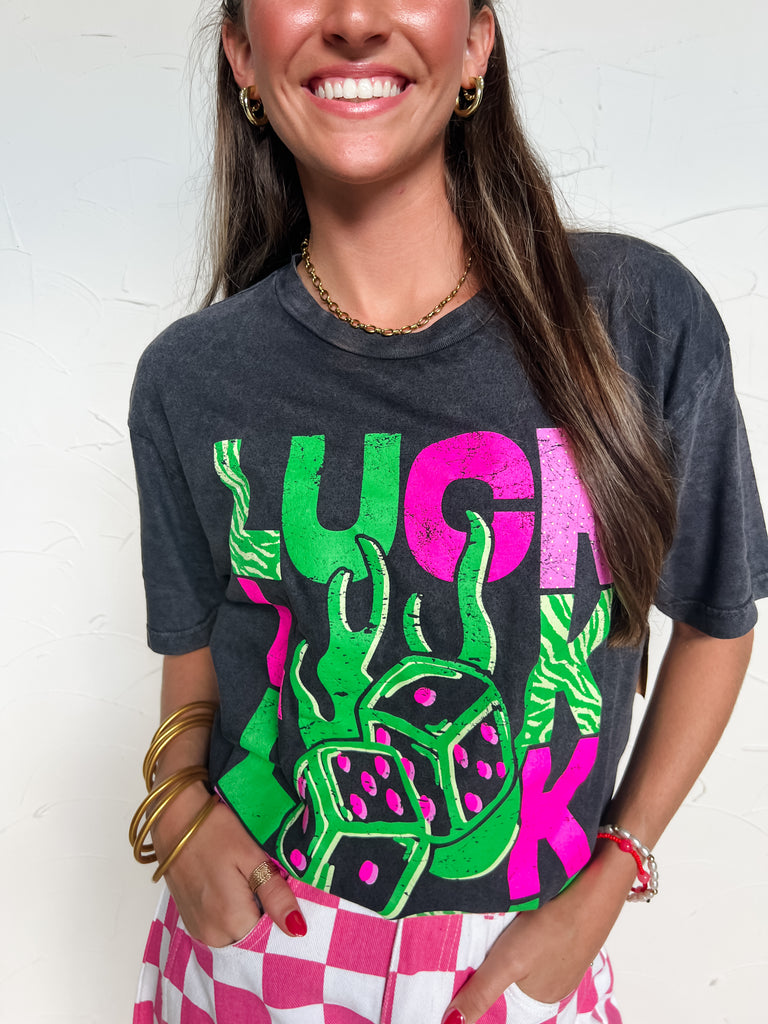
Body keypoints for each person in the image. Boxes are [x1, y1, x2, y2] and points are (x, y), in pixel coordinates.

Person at [127, 2, 768, 1022]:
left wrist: (610, 878)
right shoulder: (190, 377)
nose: (353, 18)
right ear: (244, 55)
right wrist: (179, 821)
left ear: (474, 43)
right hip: (260, 949)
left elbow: (719, 621)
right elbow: (197, 665)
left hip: (518, 962)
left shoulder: (638, 319)